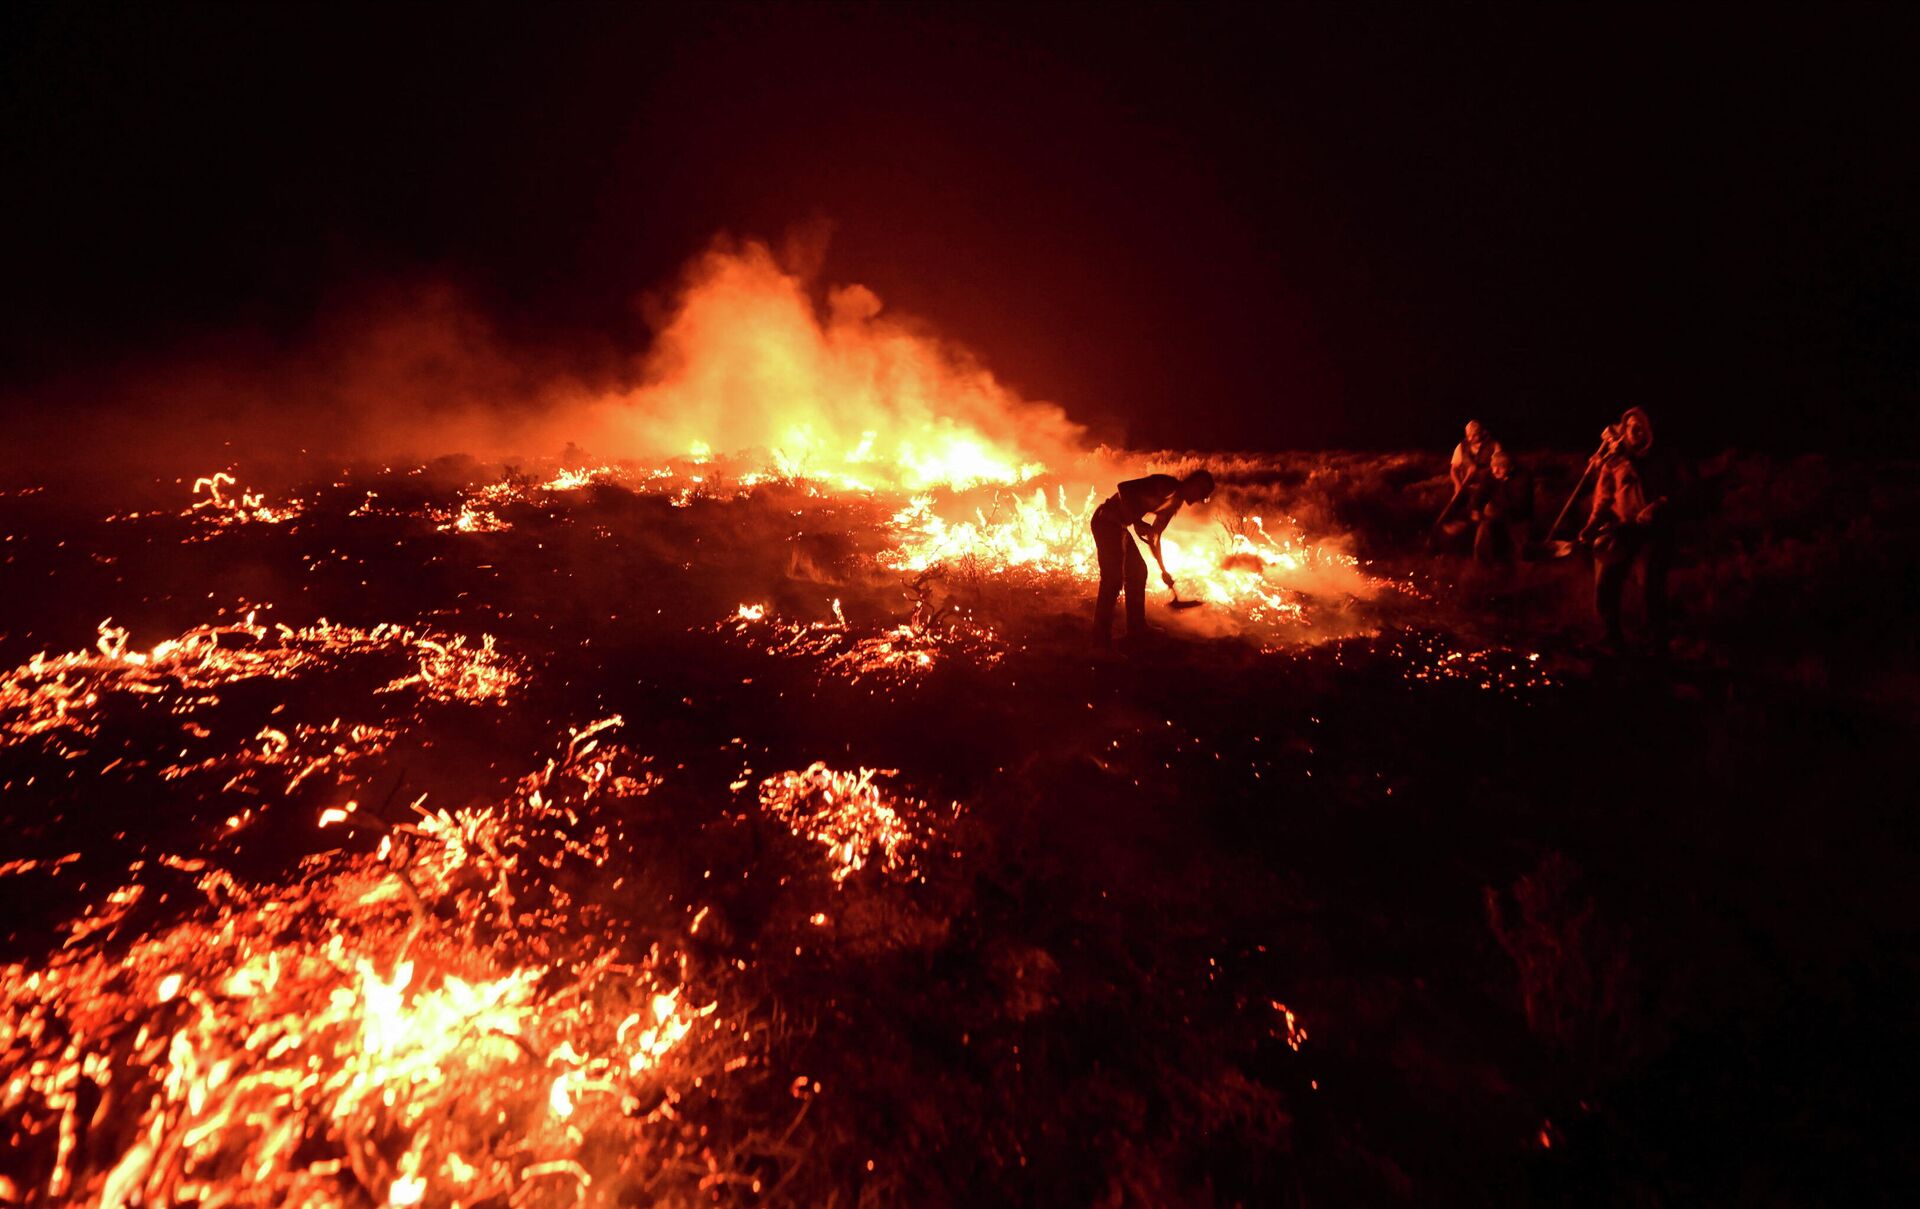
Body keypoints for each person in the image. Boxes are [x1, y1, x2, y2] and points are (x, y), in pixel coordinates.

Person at [1579, 407, 1685, 648]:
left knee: (1650, 583)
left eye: (1639, 427)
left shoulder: (1660, 458)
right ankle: (1611, 633)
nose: (1634, 431)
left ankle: (1657, 639)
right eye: (1630, 427)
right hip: (1624, 527)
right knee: (1607, 579)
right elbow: (1603, 498)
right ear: (1624, 430)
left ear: (1646, 431)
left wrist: (1659, 504)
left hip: (1654, 528)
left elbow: (1676, 490)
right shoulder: (1615, 462)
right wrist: (1592, 524)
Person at [1090, 468, 1215, 646]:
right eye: (1203, 493)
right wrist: (1137, 521)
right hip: (1105, 521)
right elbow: (1123, 487)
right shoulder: (1164, 484)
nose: (1200, 500)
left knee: (1139, 571)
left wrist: (1163, 570)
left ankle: (1136, 628)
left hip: (1119, 527)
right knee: (1112, 580)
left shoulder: (1173, 505)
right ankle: (1100, 640)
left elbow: (1154, 537)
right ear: (1194, 483)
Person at [1470, 449, 1534, 565]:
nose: (1495, 470)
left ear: (1510, 468)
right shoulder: (1490, 475)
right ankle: (1482, 565)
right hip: (1496, 514)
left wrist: (1497, 512)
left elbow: (1521, 505)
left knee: (1522, 552)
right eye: (1493, 466)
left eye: (1500, 467)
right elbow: (1480, 494)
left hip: (1518, 517)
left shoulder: (1523, 477)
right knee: (1484, 530)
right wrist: (1476, 509)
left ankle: (1520, 567)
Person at [1450, 419, 1503, 493]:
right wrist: (1457, 484)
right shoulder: (1461, 446)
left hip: (1487, 488)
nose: (1470, 438)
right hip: (1466, 486)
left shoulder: (1494, 445)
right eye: (1468, 435)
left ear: (1482, 432)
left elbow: (1500, 470)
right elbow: (1453, 469)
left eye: (1474, 435)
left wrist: (1481, 471)